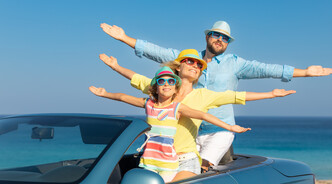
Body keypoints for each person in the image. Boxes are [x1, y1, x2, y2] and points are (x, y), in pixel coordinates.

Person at [97, 49, 296, 180]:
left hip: (186, 159)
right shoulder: (164, 87)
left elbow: (235, 96)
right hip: (156, 159)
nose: (195, 65)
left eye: (199, 65)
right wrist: (115, 67)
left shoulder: (203, 95)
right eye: (189, 61)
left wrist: (271, 94)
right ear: (178, 66)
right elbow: (137, 80)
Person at [89, 66, 251, 182]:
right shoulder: (149, 104)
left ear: (175, 88)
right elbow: (124, 97)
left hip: (169, 164)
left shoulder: (177, 108)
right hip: (149, 162)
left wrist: (229, 127)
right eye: (162, 81)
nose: (166, 83)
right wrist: (105, 94)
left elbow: (202, 114)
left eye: (170, 81)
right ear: (156, 87)